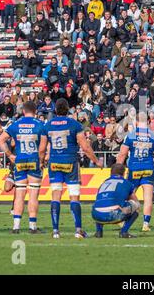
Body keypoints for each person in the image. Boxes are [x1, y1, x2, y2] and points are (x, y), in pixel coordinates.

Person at [39, 98, 103, 239]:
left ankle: (55, 231)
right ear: (68, 109)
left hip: (54, 163)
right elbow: (85, 147)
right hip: (70, 163)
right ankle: (78, 230)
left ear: (55, 110)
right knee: (74, 196)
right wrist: (96, 161)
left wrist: (41, 162)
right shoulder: (74, 125)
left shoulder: (47, 125)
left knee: (56, 195)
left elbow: (42, 148)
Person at [0, 101, 44, 234]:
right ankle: (32, 226)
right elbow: (46, 145)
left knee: (19, 194)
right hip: (34, 161)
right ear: (35, 111)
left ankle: (16, 227)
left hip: (20, 161)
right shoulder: (40, 125)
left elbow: (0, 140)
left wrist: (9, 155)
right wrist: (43, 158)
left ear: (23, 111)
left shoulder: (16, 124)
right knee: (33, 194)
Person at [116, 111, 154, 232]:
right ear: (147, 122)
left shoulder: (130, 136)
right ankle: (145, 224)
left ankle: (122, 220)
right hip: (148, 169)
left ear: (136, 122)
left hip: (134, 169)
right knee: (148, 198)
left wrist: (117, 171)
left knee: (127, 196)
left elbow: (122, 155)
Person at [91, 163, 141, 238]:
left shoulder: (104, 182)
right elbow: (135, 200)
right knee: (137, 206)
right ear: (124, 173)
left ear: (110, 172)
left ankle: (99, 232)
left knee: (100, 203)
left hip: (96, 215)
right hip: (114, 214)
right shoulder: (127, 183)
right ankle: (124, 232)